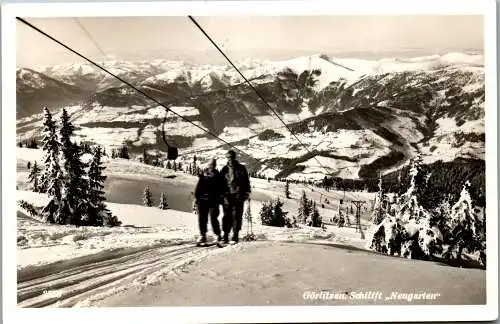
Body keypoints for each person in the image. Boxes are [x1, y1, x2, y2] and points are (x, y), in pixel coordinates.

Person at [220, 150, 251, 244]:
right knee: (226, 216)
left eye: (231, 157)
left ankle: (235, 235)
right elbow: (220, 183)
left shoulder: (241, 168)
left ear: (234, 157)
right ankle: (225, 235)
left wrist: (247, 192)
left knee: (237, 216)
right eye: (228, 157)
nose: (230, 159)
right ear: (227, 158)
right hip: (227, 196)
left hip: (238, 196)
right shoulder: (224, 169)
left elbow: (246, 181)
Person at [194, 158, 224, 245]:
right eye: (211, 164)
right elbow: (198, 187)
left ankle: (217, 234)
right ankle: (203, 235)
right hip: (202, 201)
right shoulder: (204, 174)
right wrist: (197, 197)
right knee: (202, 219)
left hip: (213, 201)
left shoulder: (218, 176)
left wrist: (219, 199)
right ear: (208, 165)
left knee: (213, 218)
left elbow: (220, 190)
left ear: (215, 166)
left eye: (213, 165)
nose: (212, 166)